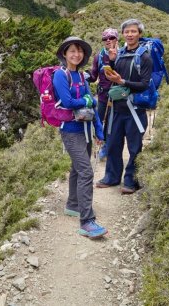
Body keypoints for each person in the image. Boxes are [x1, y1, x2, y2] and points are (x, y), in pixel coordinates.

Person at [53, 36, 108, 238]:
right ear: (65, 54)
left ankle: (73, 204)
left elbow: (92, 106)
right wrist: (86, 98)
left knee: (78, 169)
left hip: (85, 130)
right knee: (86, 172)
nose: (76, 54)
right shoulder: (61, 76)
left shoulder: (83, 77)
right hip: (70, 131)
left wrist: (99, 131)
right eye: (72, 51)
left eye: (80, 51)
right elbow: (67, 102)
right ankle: (87, 221)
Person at [95, 19, 152, 194]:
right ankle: (112, 177)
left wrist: (122, 81)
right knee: (112, 144)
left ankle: (130, 181)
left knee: (134, 147)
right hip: (116, 109)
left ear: (139, 34)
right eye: (127, 32)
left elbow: (144, 84)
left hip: (135, 110)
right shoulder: (118, 54)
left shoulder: (145, 56)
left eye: (133, 31)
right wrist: (112, 63)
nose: (130, 34)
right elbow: (115, 75)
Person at [86, 28, 120, 160]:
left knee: (112, 123)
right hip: (103, 96)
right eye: (105, 39)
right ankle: (102, 144)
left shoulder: (122, 54)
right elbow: (94, 76)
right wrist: (83, 75)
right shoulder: (99, 57)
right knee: (99, 122)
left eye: (111, 38)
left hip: (118, 96)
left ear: (117, 39)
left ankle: (107, 149)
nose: (108, 41)